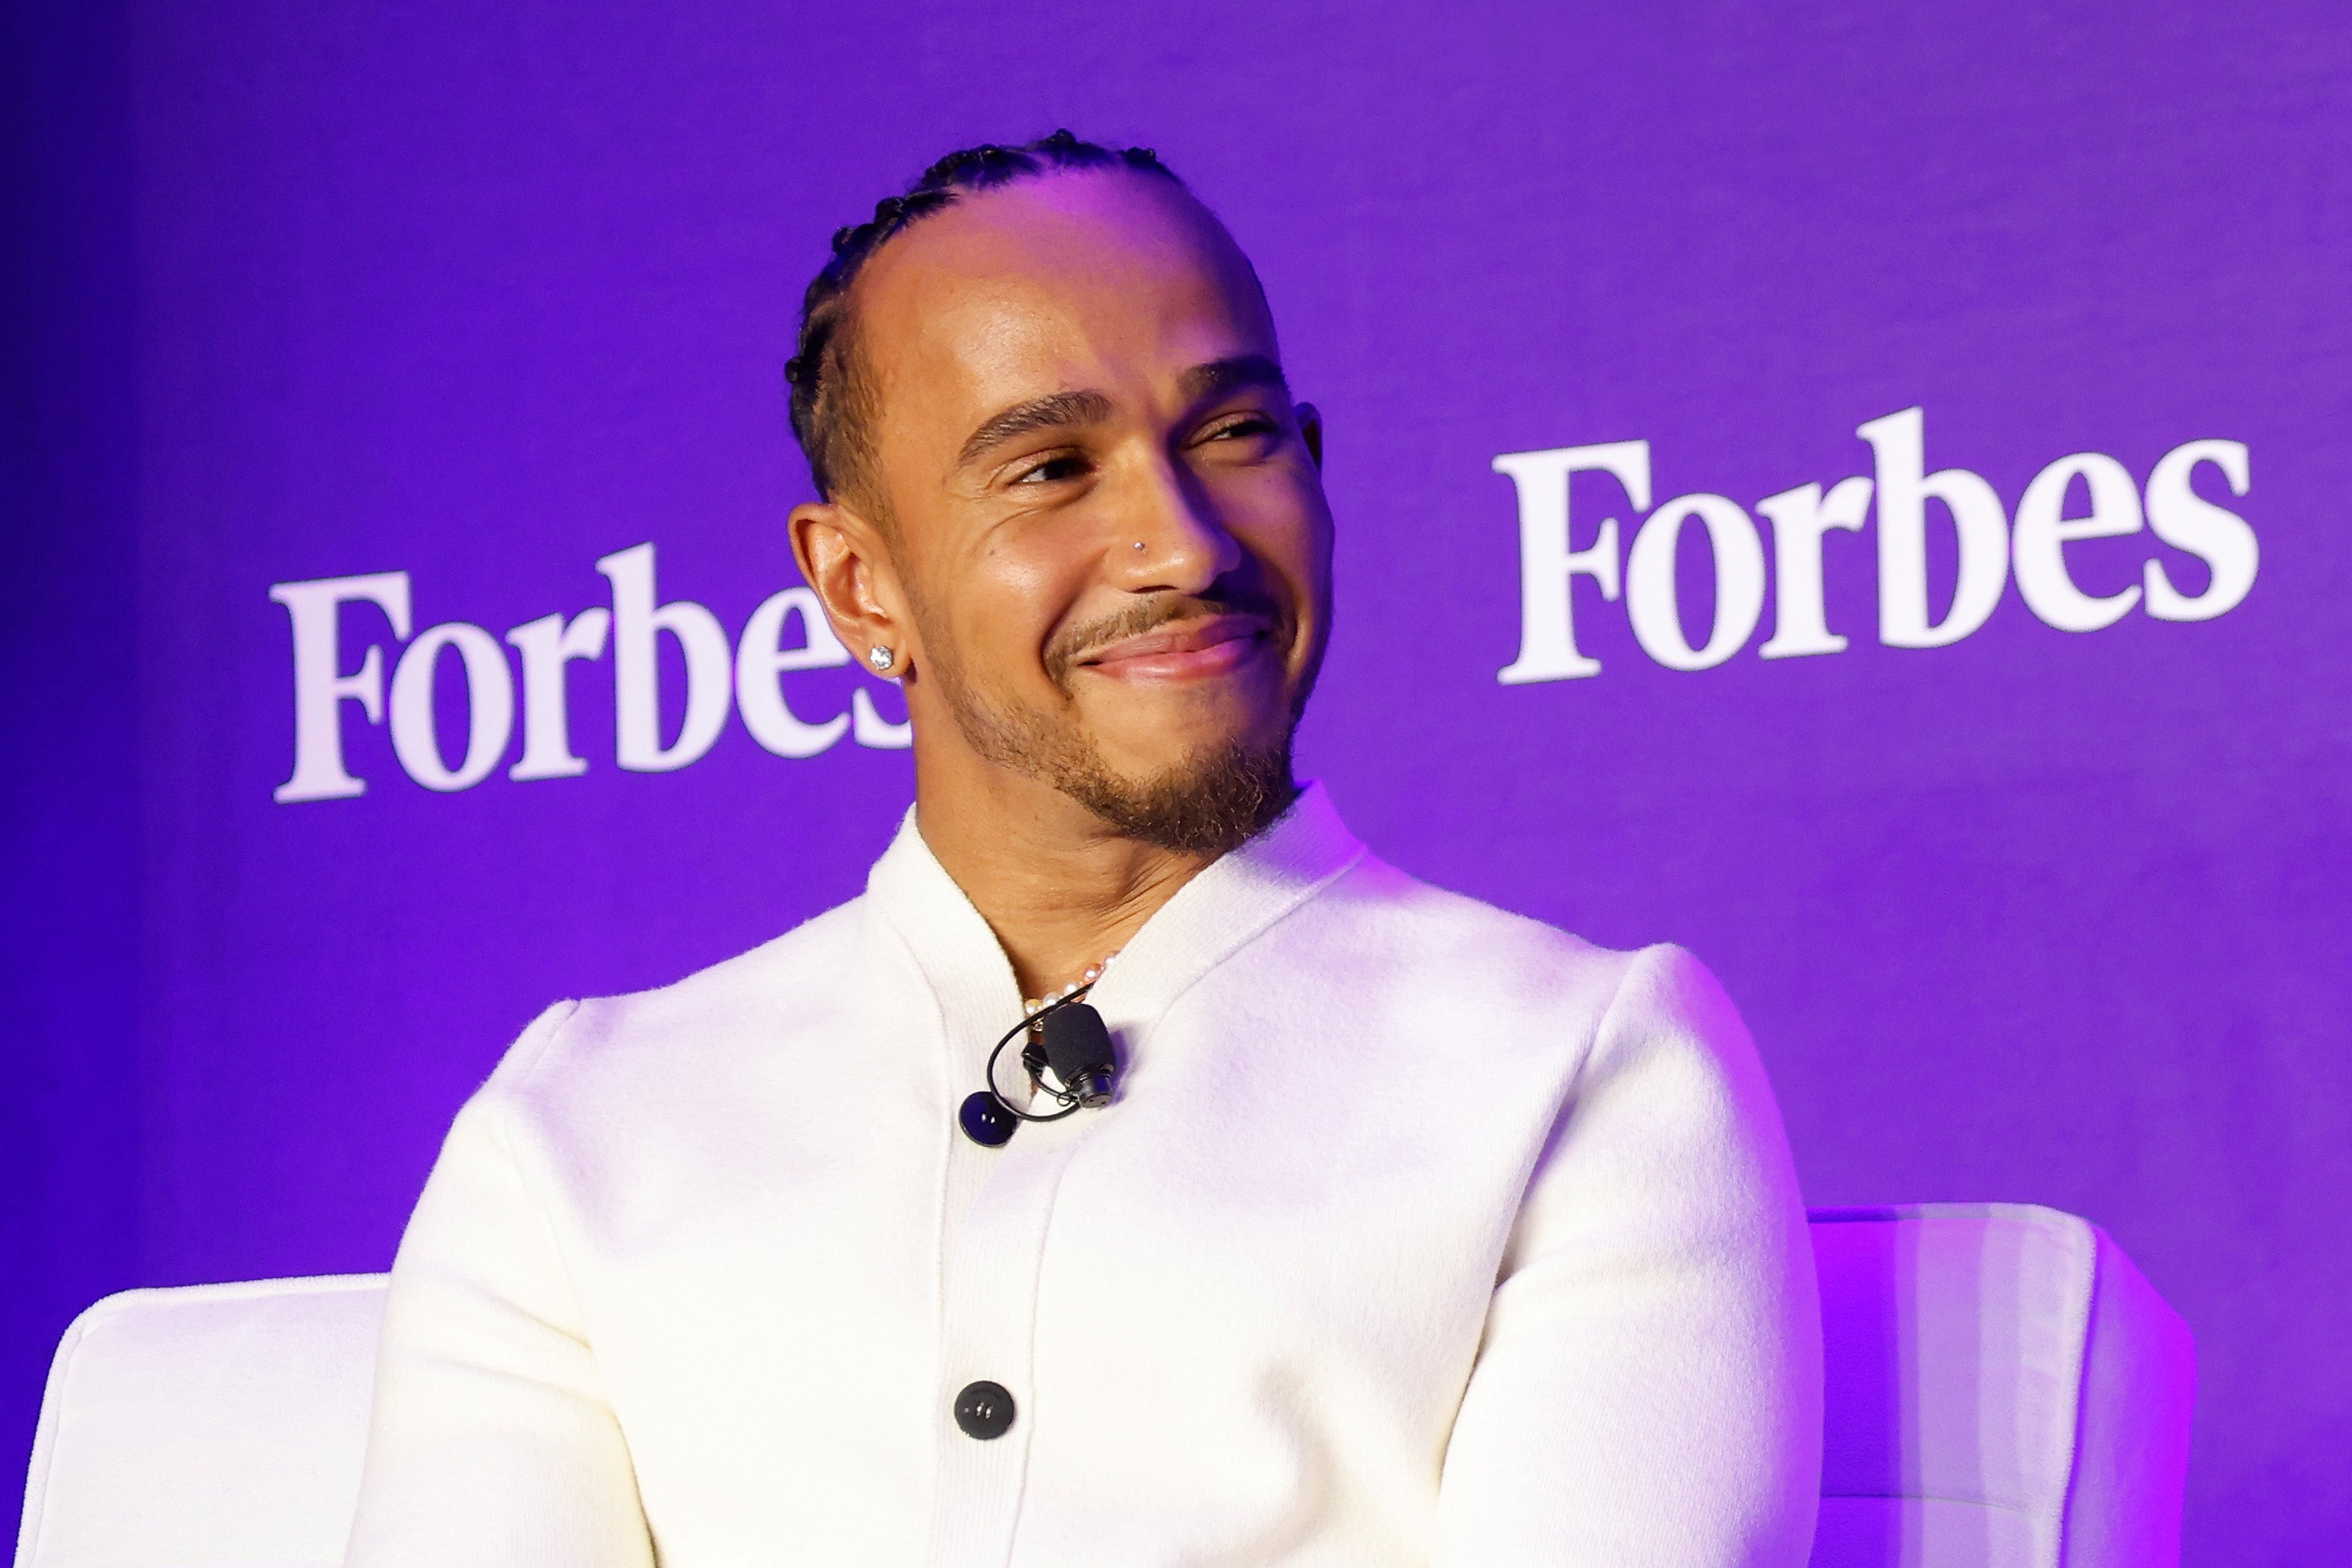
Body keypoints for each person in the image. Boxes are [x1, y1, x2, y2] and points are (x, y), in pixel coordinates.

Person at [343, 131, 1821, 1567]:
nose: (1184, 546)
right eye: (1050, 468)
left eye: (1234, 436)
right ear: (860, 587)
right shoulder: (579, 1128)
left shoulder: (1582, 1066)